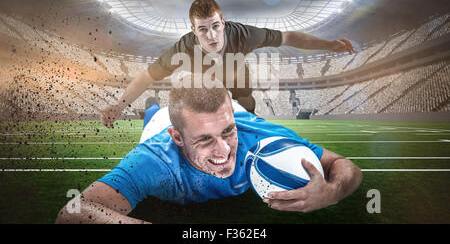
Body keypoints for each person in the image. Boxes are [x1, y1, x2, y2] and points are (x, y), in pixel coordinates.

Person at [56, 84, 362, 224]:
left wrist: (333, 192)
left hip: (233, 115)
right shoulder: (154, 160)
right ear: (177, 138)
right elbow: (73, 211)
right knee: (155, 113)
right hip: (160, 123)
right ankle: (154, 109)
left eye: (227, 132)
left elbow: (343, 165)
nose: (224, 150)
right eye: (205, 139)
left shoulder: (264, 138)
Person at [100, 0, 356, 126]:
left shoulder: (244, 35)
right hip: (206, 89)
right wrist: (120, 105)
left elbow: (288, 36)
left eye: (215, 27)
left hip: (239, 90)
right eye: (203, 30)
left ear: (223, 23)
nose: (211, 36)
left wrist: (329, 45)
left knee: (245, 122)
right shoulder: (184, 47)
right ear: (192, 30)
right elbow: (147, 76)